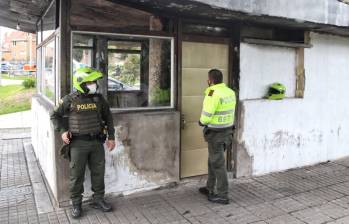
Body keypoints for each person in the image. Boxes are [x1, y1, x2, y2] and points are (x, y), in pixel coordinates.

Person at [50, 67, 116, 218]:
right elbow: (54, 115)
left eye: (94, 82)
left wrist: (111, 137)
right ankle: (76, 205)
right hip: (78, 144)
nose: (94, 84)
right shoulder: (69, 99)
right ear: (81, 83)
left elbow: (108, 117)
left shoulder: (99, 99)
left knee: (99, 172)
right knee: (76, 175)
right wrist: (62, 131)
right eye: (90, 82)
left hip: (97, 143)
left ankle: (98, 199)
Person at [198, 69, 236, 205]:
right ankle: (210, 187)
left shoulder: (212, 92)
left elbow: (207, 114)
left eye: (208, 79)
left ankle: (222, 195)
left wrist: (201, 122)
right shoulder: (230, 92)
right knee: (213, 160)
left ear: (210, 80)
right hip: (227, 133)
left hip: (216, 134)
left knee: (218, 164)